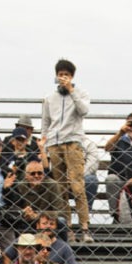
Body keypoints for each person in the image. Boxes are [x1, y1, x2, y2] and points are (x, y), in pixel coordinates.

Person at [40, 59, 91, 238]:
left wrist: (72, 91)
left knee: (77, 186)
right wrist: (44, 144)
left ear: (72, 77)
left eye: (66, 75)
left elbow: (84, 111)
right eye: (60, 74)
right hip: (54, 144)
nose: (63, 78)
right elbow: (45, 122)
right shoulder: (49, 98)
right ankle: (67, 227)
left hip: (73, 142)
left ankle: (85, 227)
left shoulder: (81, 93)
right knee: (60, 188)